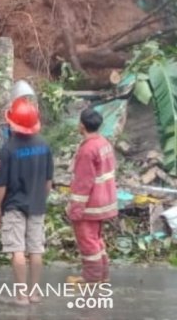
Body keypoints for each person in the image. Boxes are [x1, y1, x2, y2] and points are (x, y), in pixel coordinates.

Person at [0, 97, 53, 305]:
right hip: (37, 204)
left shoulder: (8, 149)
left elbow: (1, 185)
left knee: (17, 249)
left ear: (13, 122)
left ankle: (21, 296)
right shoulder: (44, 145)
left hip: (15, 206)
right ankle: (34, 294)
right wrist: (41, 198)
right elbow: (48, 181)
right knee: (36, 249)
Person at [66, 108, 117, 285]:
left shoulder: (88, 150)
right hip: (105, 201)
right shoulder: (104, 143)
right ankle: (103, 276)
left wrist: (75, 209)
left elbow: (83, 183)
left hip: (90, 204)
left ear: (81, 125)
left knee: (88, 241)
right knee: (96, 239)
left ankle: (92, 278)